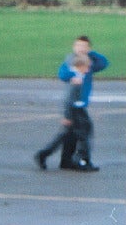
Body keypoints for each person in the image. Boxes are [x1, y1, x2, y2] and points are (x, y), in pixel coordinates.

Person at [36, 34, 109, 173]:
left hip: (78, 106)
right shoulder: (73, 62)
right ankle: (82, 160)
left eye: (84, 46)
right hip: (74, 107)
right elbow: (63, 77)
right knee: (84, 133)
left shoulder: (88, 61)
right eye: (78, 46)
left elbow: (103, 63)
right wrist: (67, 114)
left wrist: (90, 54)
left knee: (69, 135)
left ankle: (61, 159)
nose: (81, 48)